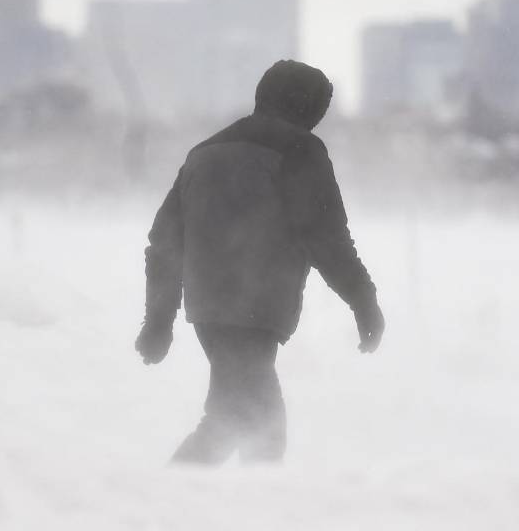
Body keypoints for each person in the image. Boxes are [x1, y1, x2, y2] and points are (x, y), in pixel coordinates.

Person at [134, 59, 385, 464]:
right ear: (309, 107)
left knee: (233, 420)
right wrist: (364, 302)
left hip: (210, 311)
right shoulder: (300, 149)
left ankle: (189, 505)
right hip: (255, 309)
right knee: (259, 429)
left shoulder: (204, 152)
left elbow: (164, 241)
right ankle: (186, 508)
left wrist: (158, 321)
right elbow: (327, 238)